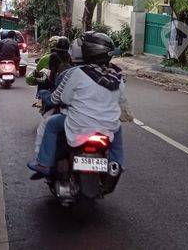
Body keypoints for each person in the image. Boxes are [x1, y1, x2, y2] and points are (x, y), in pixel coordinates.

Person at [28, 32, 125, 177]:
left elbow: (64, 98)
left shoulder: (77, 73)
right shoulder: (117, 76)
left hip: (78, 123)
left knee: (50, 124)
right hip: (107, 124)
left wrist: (46, 95)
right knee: (118, 129)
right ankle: (117, 163)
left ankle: (43, 163)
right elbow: (121, 100)